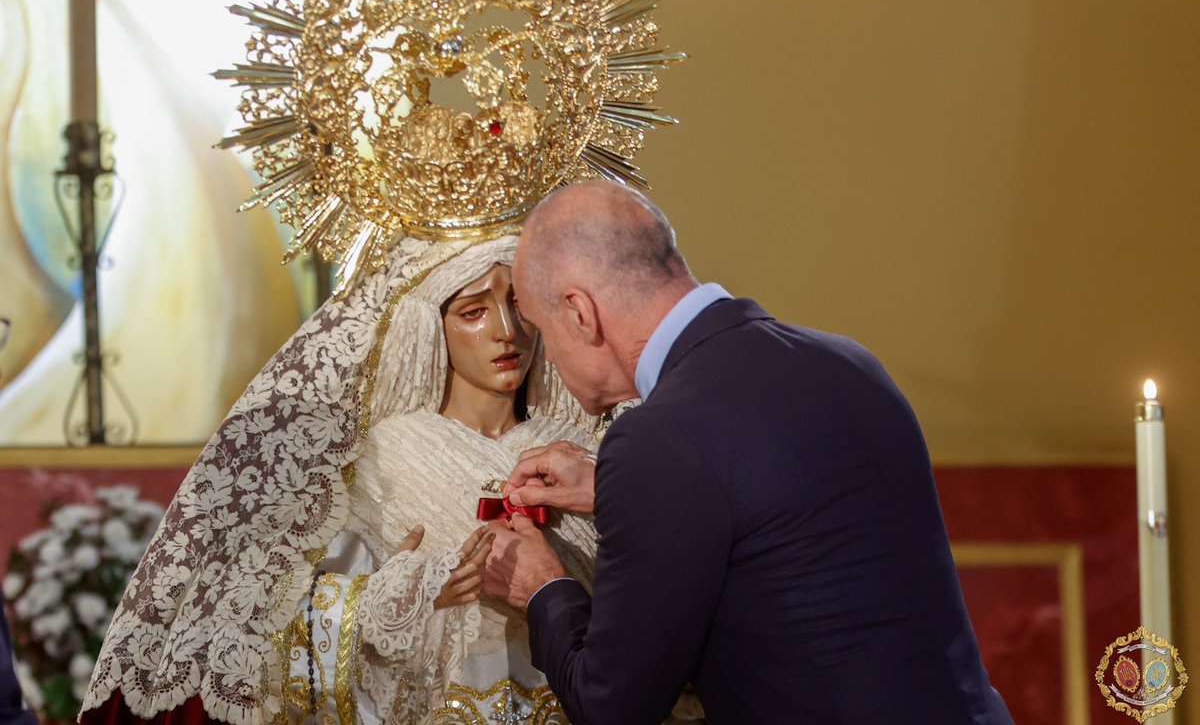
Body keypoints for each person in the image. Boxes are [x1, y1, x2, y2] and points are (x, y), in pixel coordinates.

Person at [482, 180, 1015, 725]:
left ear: (580, 312)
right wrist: (623, 494)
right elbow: (790, 524)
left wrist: (544, 589)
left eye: (541, 330)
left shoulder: (660, 439)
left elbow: (612, 705)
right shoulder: (848, 361)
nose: (547, 359)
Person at [79, 237, 618, 725]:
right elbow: (276, 621)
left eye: (519, 305)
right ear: (430, 326)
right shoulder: (380, 457)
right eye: (474, 311)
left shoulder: (582, 454)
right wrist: (397, 601)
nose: (507, 330)